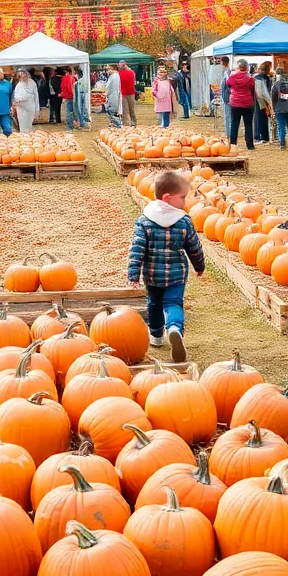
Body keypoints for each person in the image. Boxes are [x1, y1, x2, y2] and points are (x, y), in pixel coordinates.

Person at [127, 170, 204, 364]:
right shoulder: (184, 221)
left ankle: (156, 336)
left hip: (152, 275)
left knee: (154, 304)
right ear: (168, 198)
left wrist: (133, 275)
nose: (185, 202)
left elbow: (137, 250)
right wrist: (199, 265)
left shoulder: (144, 220)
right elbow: (194, 246)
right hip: (177, 275)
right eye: (182, 198)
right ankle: (175, 328)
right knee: (173, 303)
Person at [226, 59, 256, 149]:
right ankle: (250, 145)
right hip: (247, 103)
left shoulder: (233, 77)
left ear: (238, 67)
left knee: (234, 123)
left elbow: (228, 85)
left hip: (235, 103)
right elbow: (252, 89)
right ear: (247, 67)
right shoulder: (250, 78)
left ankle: (233, 144)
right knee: (248, 124)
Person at [271, 67, 288, 151]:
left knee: (281, 127)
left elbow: (273, 98)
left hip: (280, 109)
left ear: (277, 74)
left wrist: (273, 108)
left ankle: (282, 143)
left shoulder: (275, 84)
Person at [254, 60, 274, 145]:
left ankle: (259, 136)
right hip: (262, 101)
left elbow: (259, 91)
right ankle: (263, 136)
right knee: (262, 118)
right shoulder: (265, 78)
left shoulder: (257, 77)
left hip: (258, 100)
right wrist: (269, 101)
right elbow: (265, 91)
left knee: (258, 118)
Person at [12, 69, 39, 134]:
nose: (23, 75)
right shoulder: (18, 85)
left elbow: (36, 97)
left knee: (29, 125)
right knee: (23, 126)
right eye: (21, 74)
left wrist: (37, 111)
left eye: (24, 73)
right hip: (21, 107)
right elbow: (15, 97)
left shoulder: (32, 83)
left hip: (31, 106)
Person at [117, 61, 138, 127]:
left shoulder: (118, 74)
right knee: (132, 109)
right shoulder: (132, 73)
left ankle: (127, 124)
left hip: (123, 94)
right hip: (131, 93)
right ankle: (134, 122)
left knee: (125, 110)